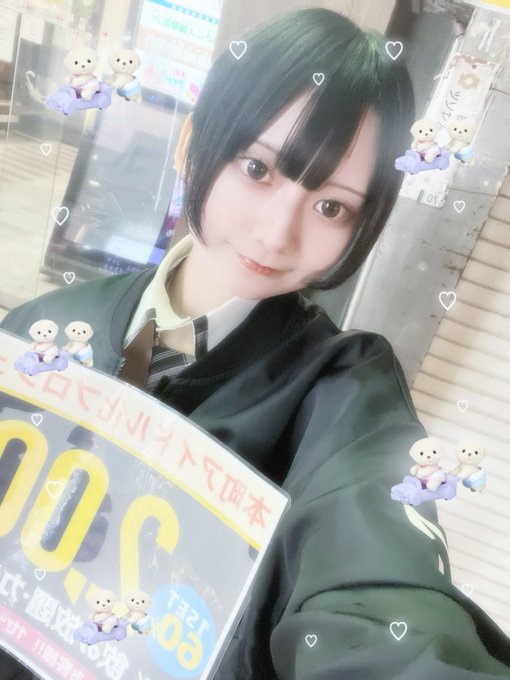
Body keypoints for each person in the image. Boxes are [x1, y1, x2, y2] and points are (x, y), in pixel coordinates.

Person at [1, 7, 510, 679]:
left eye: (331, 206)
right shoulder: (47, 326)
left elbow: (379, 596)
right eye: (257, 168)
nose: (277, 233)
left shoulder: (342, 392)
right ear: (192, 144)